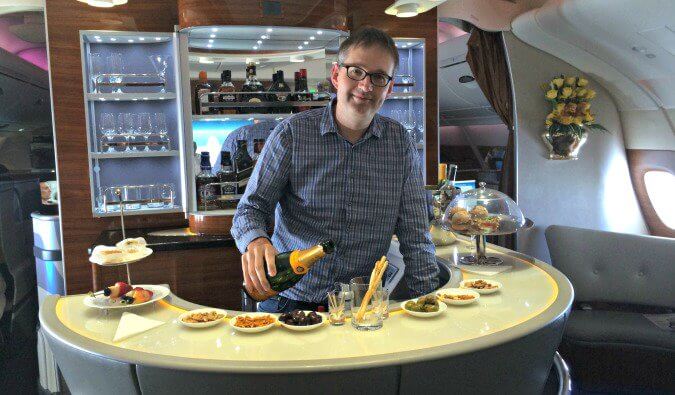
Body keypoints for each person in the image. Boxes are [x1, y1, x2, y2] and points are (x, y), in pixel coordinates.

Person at [231, 27, 439, 313]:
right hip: (287, 299)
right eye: (356, 72)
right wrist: (255, 239)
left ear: (389, 88)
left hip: (359, 309)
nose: (366, 86)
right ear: (336, 75)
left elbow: (415, 236)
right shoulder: (291, 134)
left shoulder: (400, 143)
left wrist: (427, 305)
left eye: (378, 77)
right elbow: (251, 208)